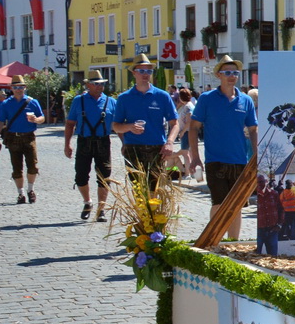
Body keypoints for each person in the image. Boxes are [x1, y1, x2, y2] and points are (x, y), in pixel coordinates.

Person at [190, 57, 260, 241]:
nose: (232, 76)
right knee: (219, 203)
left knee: (236, 205)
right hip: (215, 160)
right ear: (219, 75)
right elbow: (194, 127)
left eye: (235, 73)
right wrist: (195, 157)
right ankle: (214, 240)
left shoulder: (245, 100)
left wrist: (257, 154)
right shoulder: (207, 99)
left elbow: (253, 129)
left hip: (239, 160)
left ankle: (233, 243)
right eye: (227, 72)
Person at [112, 54, 180, 196]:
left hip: (157, 148)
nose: (145, 74)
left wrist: (169, 142)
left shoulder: (162, 96)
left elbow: (175, 123)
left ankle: (154, 217)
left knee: (155, 190)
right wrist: (129, 127)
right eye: (141, 71)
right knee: (139, 191)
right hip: (133, 148)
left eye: (148, 71)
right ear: (134, 72)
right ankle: (143, 217)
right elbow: (116, 126)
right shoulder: (124, 98)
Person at [63, 70, 114, 222]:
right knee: (81, 176)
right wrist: (67, 144)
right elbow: (70, 123)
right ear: (88, 85)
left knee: (104, 177)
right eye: (96, 84)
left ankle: (101, 209)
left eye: (102, 84)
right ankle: (87, 202)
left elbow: (118, 125)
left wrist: (125, 144)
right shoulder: (79, 101)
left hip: (103, 141)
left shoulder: (111, 102)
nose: (100, 86)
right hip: (84, 141)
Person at [0, 74, 46, 204]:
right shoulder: (6, 104)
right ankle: (21, 193)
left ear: (25, 87)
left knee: (33, 166)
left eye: (20, 87)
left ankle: (30, 190)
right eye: (15, 87)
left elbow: (42, 118)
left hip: (29, 136)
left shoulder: (32, 102)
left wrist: (36, 119)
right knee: (17, 168)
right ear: (11, 88)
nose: (18, 89)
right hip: (13, 138)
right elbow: (0, 122)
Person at [254, 175, 282, 257]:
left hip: (272, 229)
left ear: (266, 182)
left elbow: (281, 209)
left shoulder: (274, 194)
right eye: (258, 182)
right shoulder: (254, 195)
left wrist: (280, 224)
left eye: (262, 182)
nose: (260, 184)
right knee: (255, 255)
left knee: (272, 257)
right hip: (259, 230)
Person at [174, 87, 197, 181]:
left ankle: (187, 173)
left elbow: (189, 122)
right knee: (190, 153)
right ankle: (193, 172)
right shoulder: (186, 105)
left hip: (187, 132)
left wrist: (182, 132)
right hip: (187, 131)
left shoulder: (188, 107)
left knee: (185, 153)